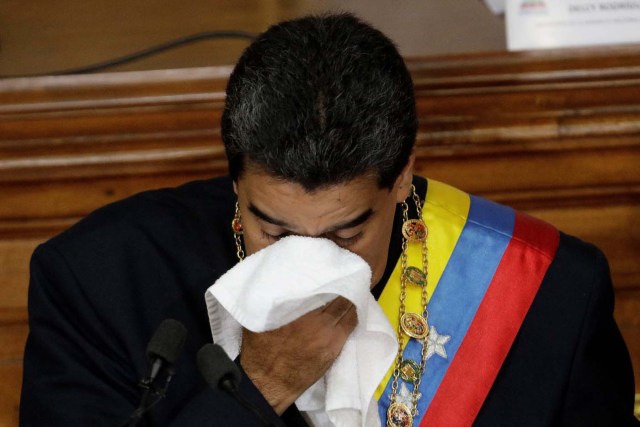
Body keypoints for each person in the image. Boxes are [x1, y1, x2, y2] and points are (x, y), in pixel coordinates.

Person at [20, 13, 638, 427]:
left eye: (346, 234)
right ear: (235, 180)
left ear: (401, 178)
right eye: (276, 231)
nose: (310, 261)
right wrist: (259, 384)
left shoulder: (549, 292)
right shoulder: (96, 281)